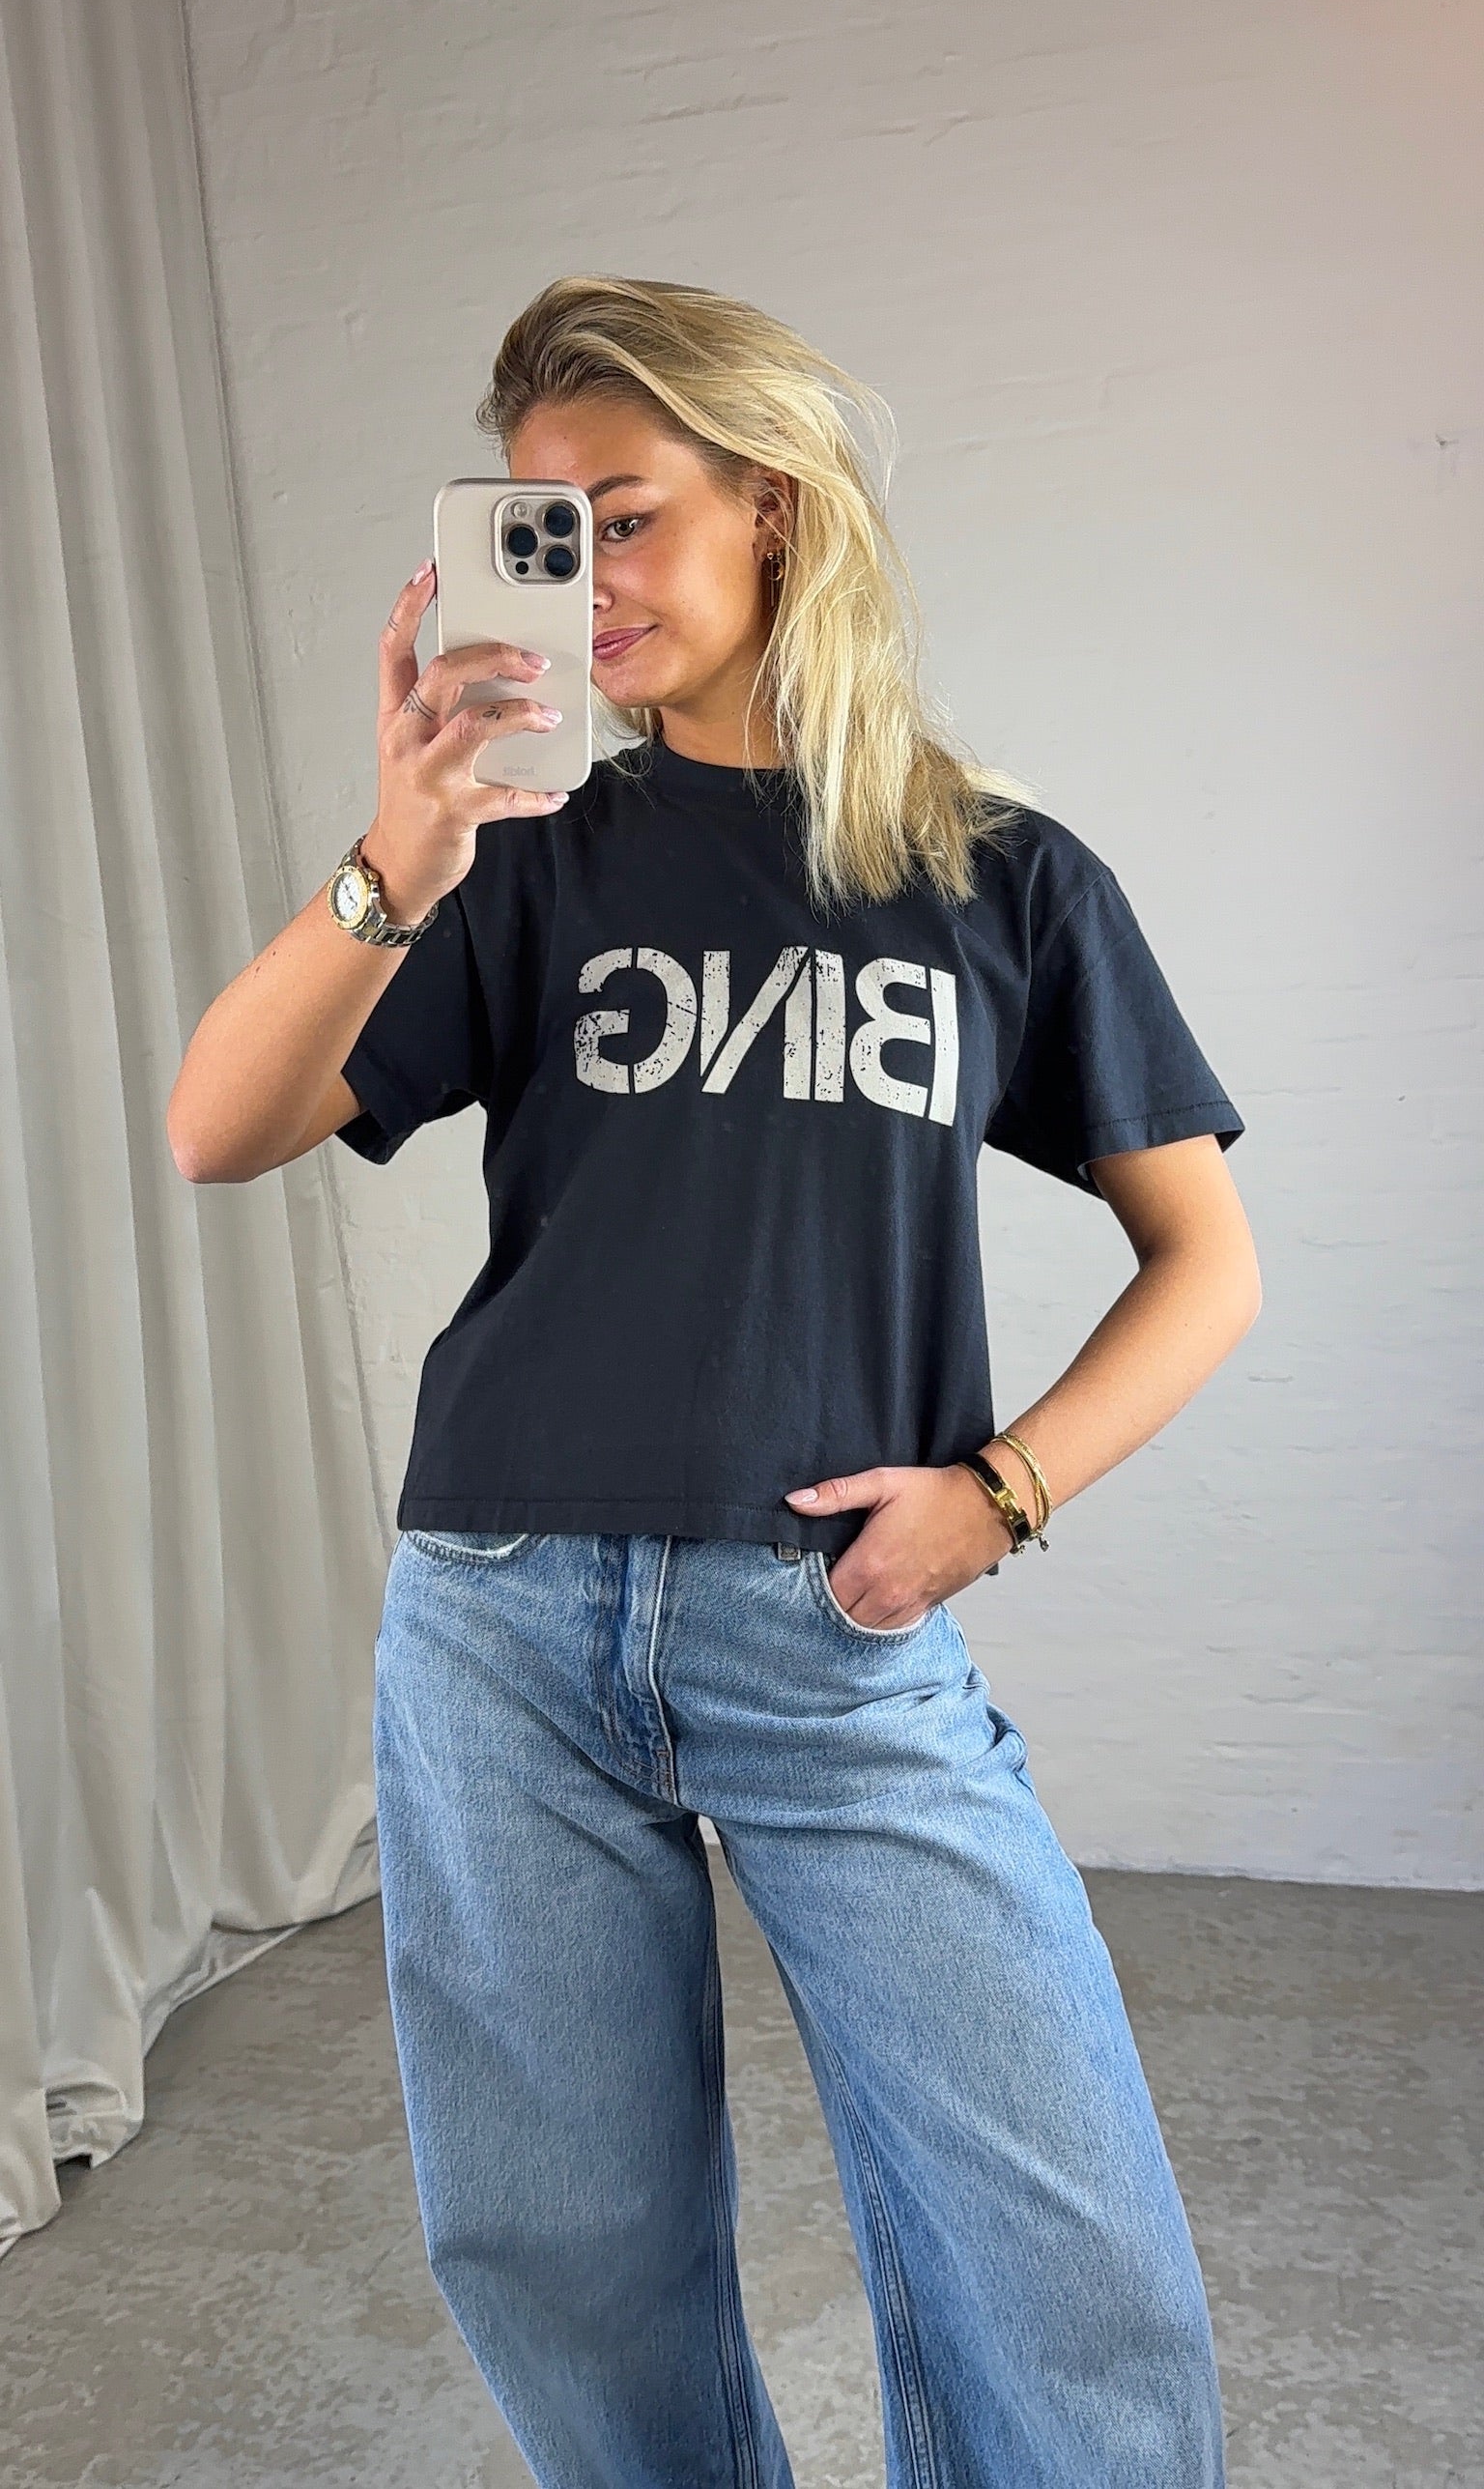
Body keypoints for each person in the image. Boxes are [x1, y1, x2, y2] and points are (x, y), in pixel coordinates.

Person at [168, 274, 1260, 2488]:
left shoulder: (994, 875)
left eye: (629, 516)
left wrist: (1002, 1492)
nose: (587, 576)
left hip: (834, 1629)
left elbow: (1206, 1264)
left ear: (774, 503)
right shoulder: (523, 854)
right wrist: (401, 848)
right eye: (539, 529)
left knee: (1059, 2261)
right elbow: (216, 1125)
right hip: (501, 1620)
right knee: (567, 2251)